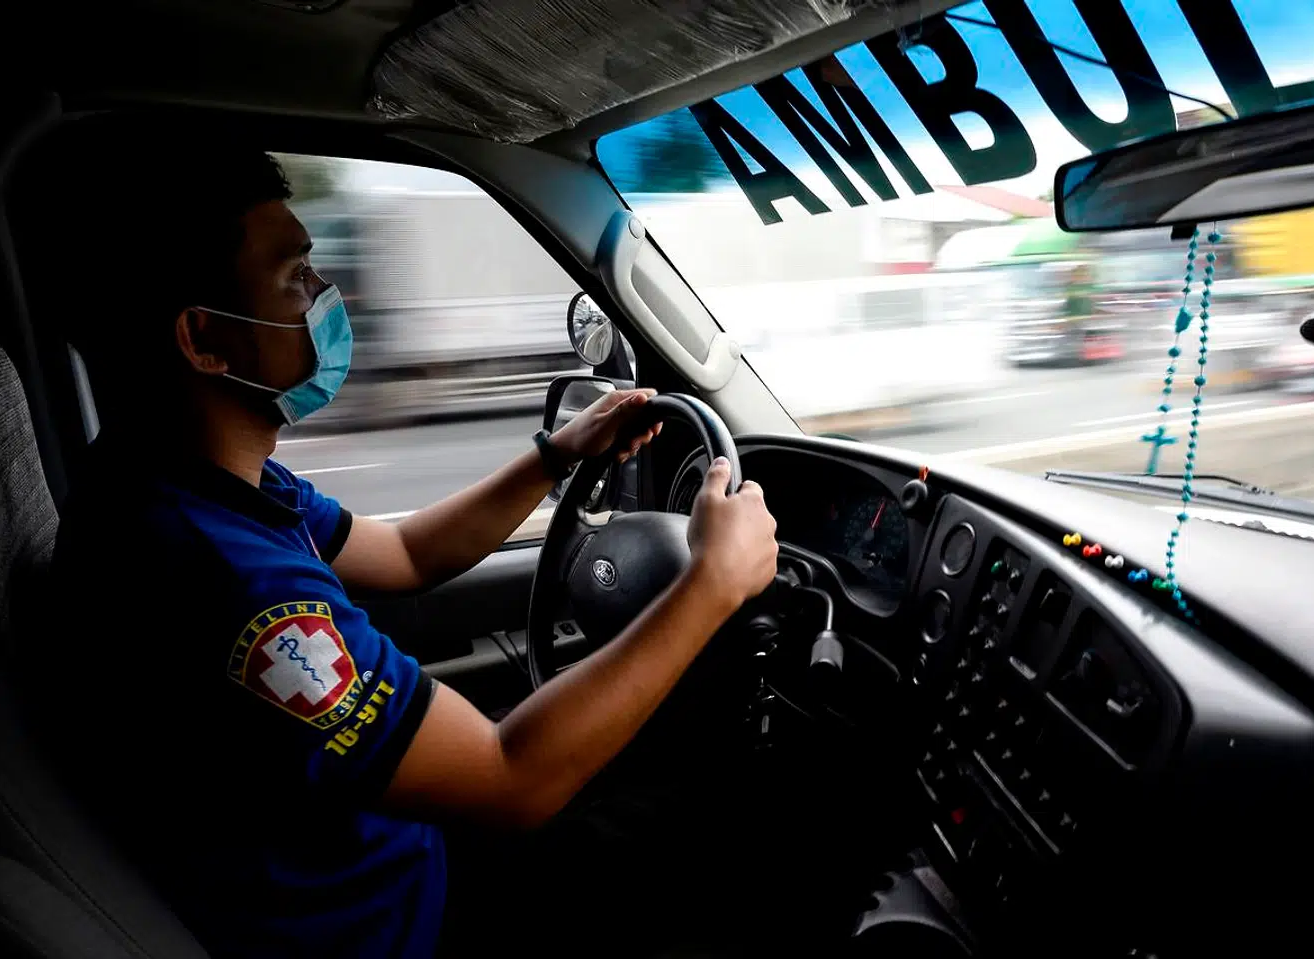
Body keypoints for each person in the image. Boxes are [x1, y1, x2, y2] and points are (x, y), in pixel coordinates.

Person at [47, 144, 780, 958]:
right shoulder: (227, 582)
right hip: (410, 921)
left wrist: (557, 453)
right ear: (204, 339)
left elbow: (402, 553)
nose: (326, 297)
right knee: (750, 832)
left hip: (390, 848)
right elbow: (510, 777)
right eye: (293, 279)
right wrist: (713, 581)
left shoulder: (189, 484)